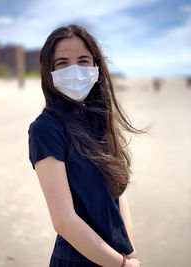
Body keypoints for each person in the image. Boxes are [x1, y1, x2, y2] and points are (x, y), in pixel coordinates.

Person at [28, 24, 142, 267]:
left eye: (83, 61)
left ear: (95, 67)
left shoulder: (98, 119)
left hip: (117, 256)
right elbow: (64, 221)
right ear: (49, 71)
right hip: (78, 259)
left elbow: (118, 194)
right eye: (62, 63)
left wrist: (129, 253)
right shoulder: (46, 129)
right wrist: (120, 265)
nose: (75, 71)